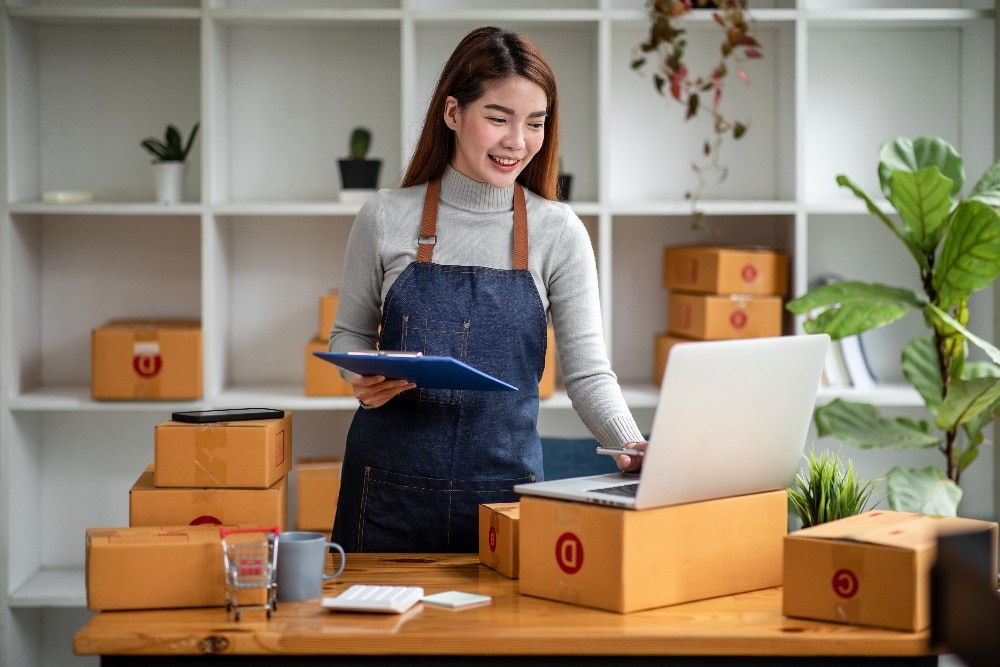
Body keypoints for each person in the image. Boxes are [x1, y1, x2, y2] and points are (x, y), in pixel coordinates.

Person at [329, 26, 646, 553]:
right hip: (385, 496)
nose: (516, 142)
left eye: (534, 124)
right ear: (453, 114)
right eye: (497, 119)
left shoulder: (558, 231)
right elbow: (348, 334)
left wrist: (629, 444)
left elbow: (588, 373)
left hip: (506, 500)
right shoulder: (385, 216)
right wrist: (358, 373)